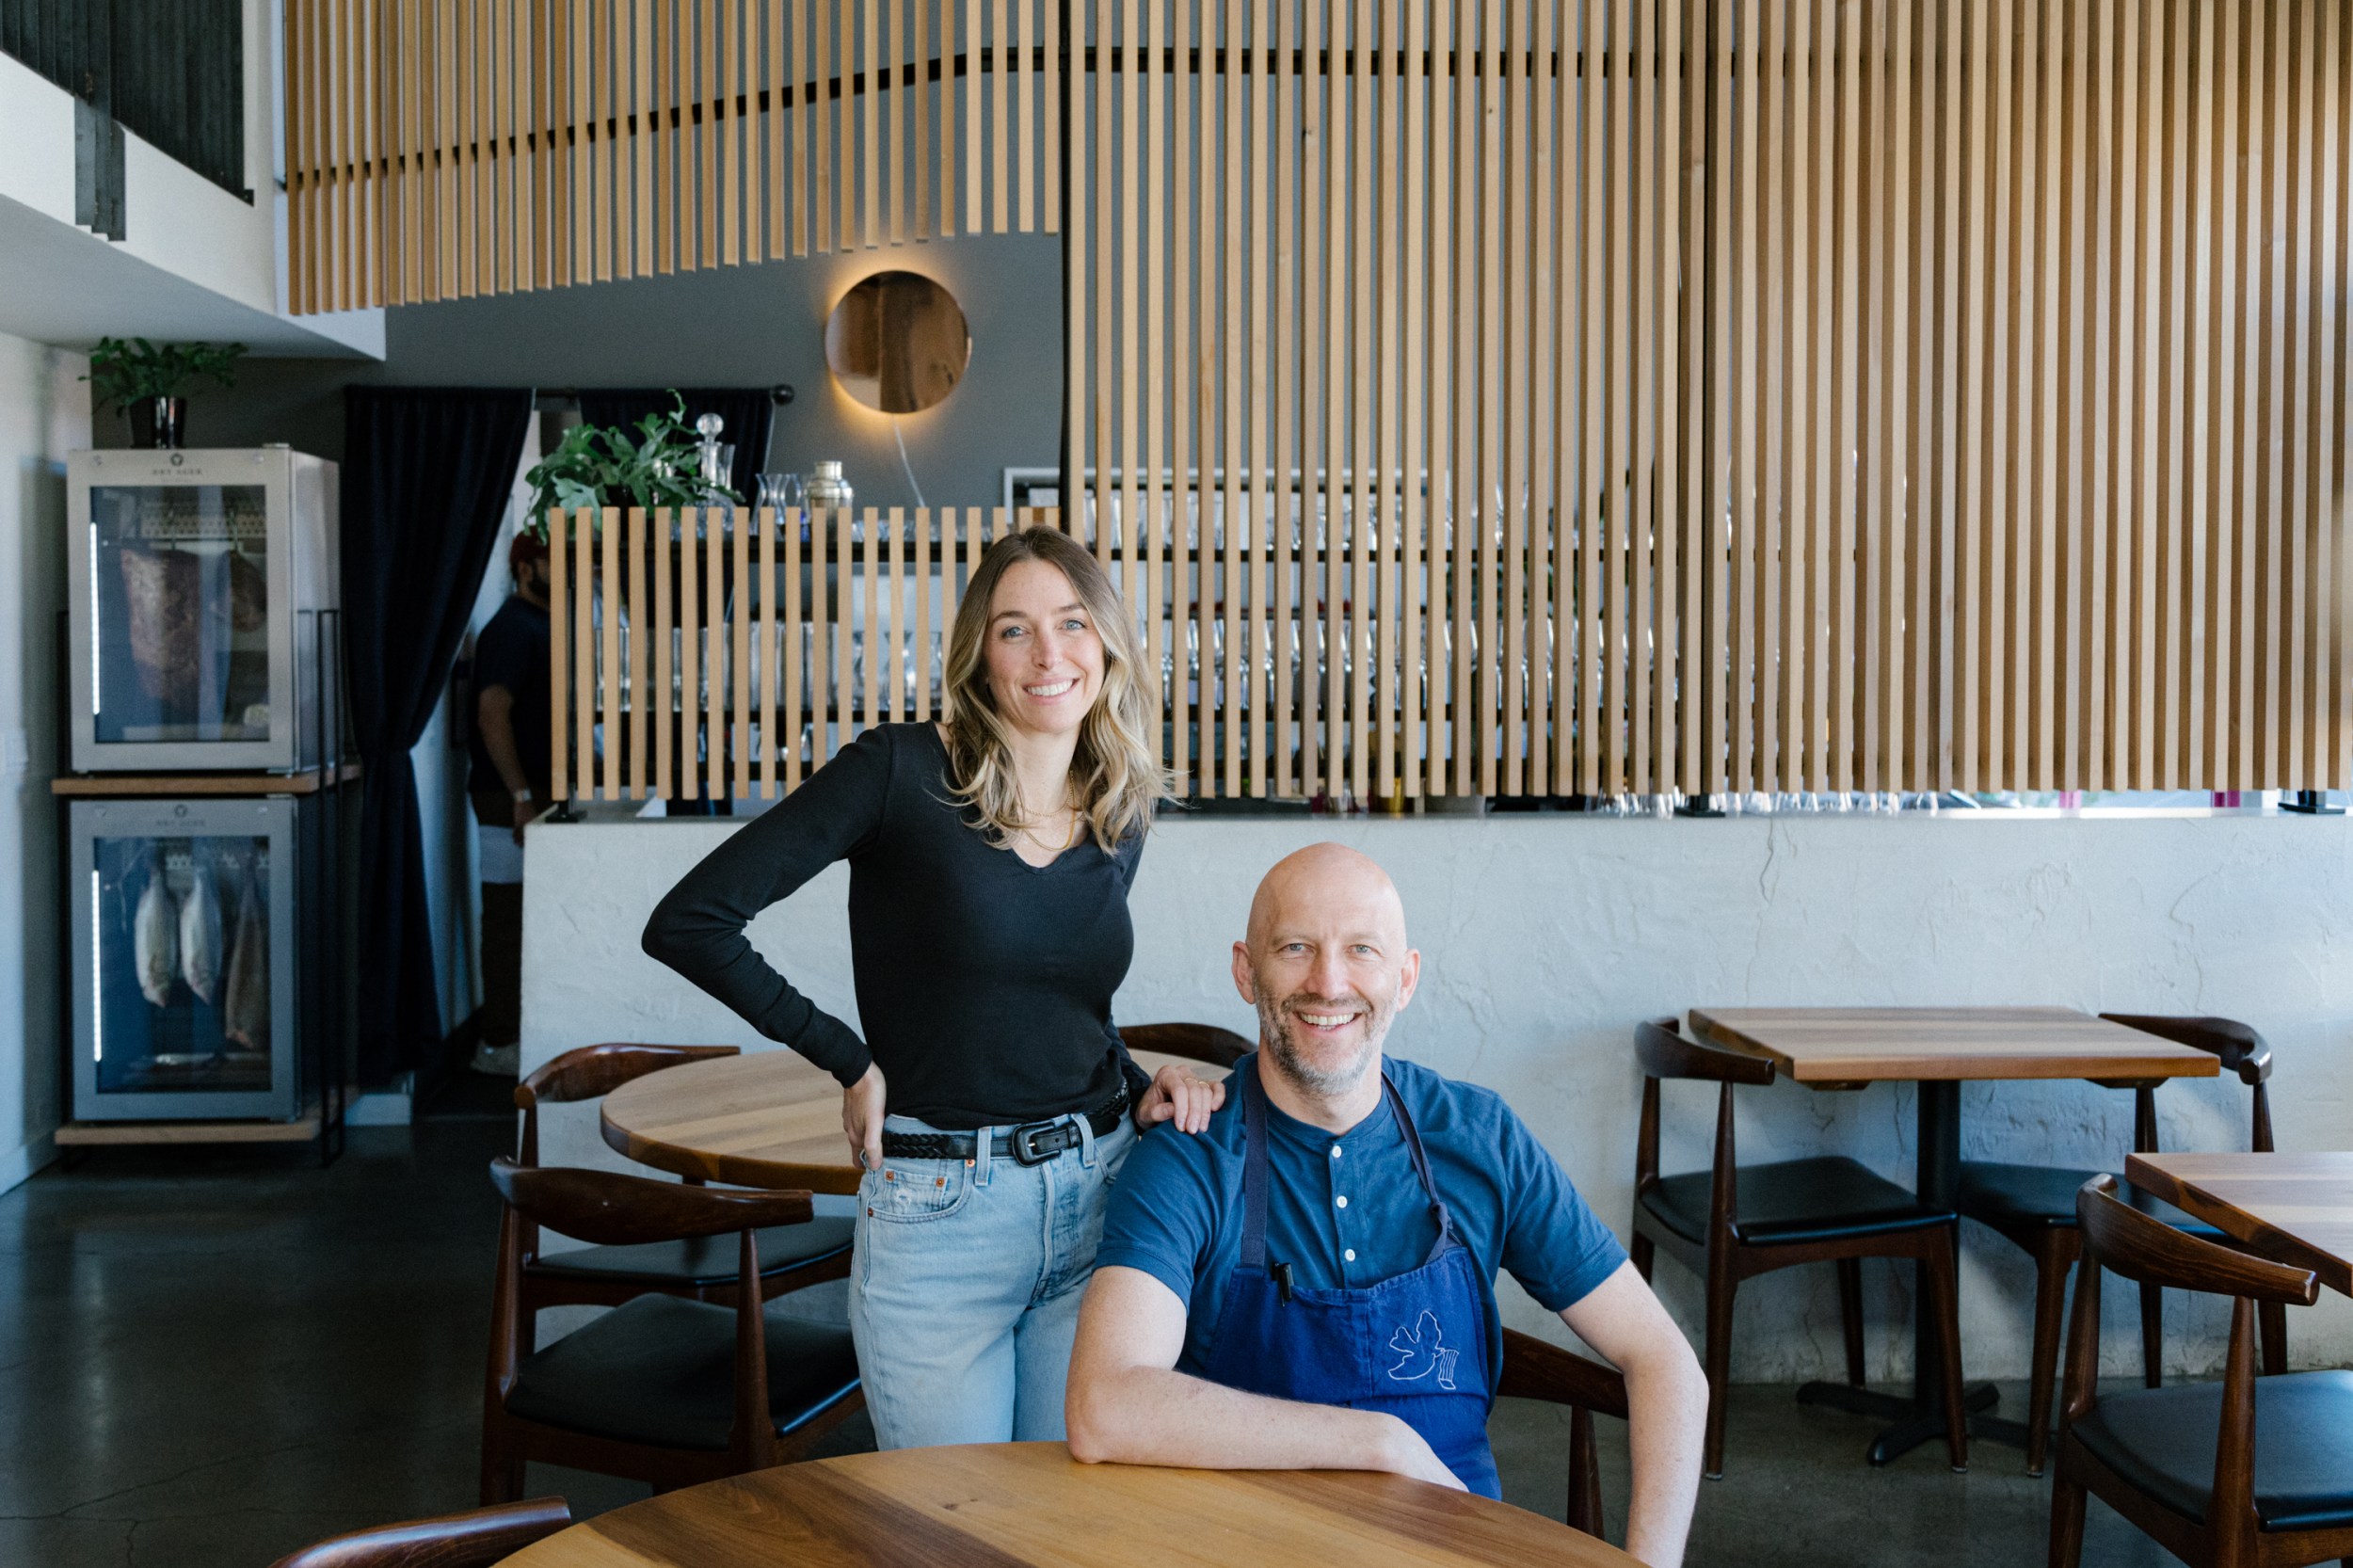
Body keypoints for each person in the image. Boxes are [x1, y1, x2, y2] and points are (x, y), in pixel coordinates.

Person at [641, 525, 1225, 1449]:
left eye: (1072, 623)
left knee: (1061, 1526)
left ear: (1106, 641)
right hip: (940, 1211)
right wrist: (848, 1058)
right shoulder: (900, 772)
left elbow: (1058, 997)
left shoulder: (1115, 801)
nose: (1047, 654)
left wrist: (1131, 1074)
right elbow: (689, 921)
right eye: (1013, 629)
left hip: (1099, 1190)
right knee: (952, 1530)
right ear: (978, 654)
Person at [1065, 843, 1708, 1567]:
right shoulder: (1191, 1154)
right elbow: (1105, 1405)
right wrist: (1378, 1443)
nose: (1328, 982)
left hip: (1459, 1548)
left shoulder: (1478, 1137)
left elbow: (1664, 1360)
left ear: (1405, 980)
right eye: (1296, 947)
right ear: (1247, 971)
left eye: (1361, 951)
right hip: (1247, 1548)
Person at [469, 531, 554, 1078]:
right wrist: (521, 793)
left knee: (532, 917)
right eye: (555, 560)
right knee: (504, 917)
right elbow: (491, 711)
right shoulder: (510, 628)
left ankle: (522, 1035)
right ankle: (499, 1043)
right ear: (526, 568)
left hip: (533, 795)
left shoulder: (543, 624)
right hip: (506, 799)